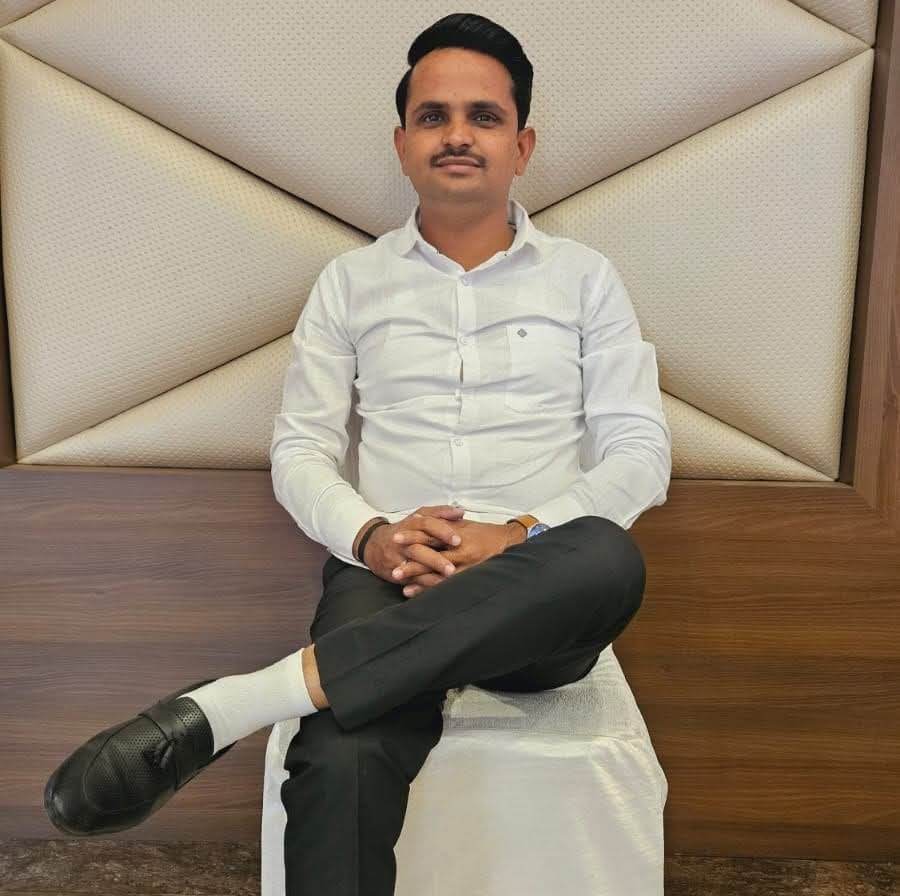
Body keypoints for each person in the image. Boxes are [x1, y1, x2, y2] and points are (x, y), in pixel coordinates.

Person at [43, 11, 671, 895]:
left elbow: (640, 451)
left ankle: (239, 703)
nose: (458, 135)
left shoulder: (586, 279)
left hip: (537, 584)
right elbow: (299, 448)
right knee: (338, 759)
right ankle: (303, 690)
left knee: (607, 556)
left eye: (484, 117)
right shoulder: (350, 284)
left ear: (522, 146)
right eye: (433, 116)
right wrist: (373, 538)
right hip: (385, 571)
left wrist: (517, 535)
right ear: (403, 144)